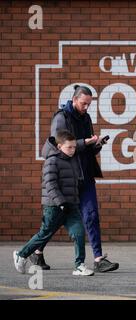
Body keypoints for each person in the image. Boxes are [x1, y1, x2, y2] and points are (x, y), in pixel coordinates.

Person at [31, 85, 119, 273]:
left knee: (91, 214)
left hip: (85, 172)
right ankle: (36, 251)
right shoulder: (61, 118)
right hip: (67, 175)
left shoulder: (86, 118)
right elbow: (59, 146)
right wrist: (83, 143)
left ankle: (98, 259)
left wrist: (96, 144)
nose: (86, 107)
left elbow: (86, 147)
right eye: (83, 103)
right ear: (74, 99)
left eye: (89, 104)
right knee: (56, 218)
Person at [13, 130, 94, 276]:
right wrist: (60, 202)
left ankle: (79, 265)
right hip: (54, 206)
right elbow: (50, 184)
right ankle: (22, 254)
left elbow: (74, 182)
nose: (72, 150)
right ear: (59, 146)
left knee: (79, 233)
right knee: (44, 234)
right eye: (69, 147)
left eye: (74, 147)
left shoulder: (73, 160)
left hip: (71, 205)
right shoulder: (52, 161)